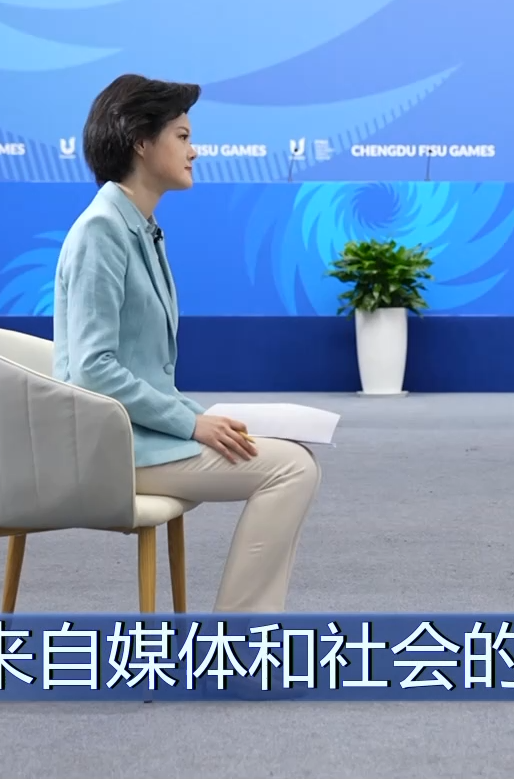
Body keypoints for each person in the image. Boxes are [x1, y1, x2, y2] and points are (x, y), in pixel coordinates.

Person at [54, 74, 320, 612]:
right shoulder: (102, 231)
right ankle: (237, 642)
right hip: (113, 450)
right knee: (292, 469)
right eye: (181, 136)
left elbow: (138, 369)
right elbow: (92, 368)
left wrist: (199, 416)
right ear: (140, 141)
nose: (194, 151)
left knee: (295, 456)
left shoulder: (137, 226)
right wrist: (192, 424)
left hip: (139, 436)